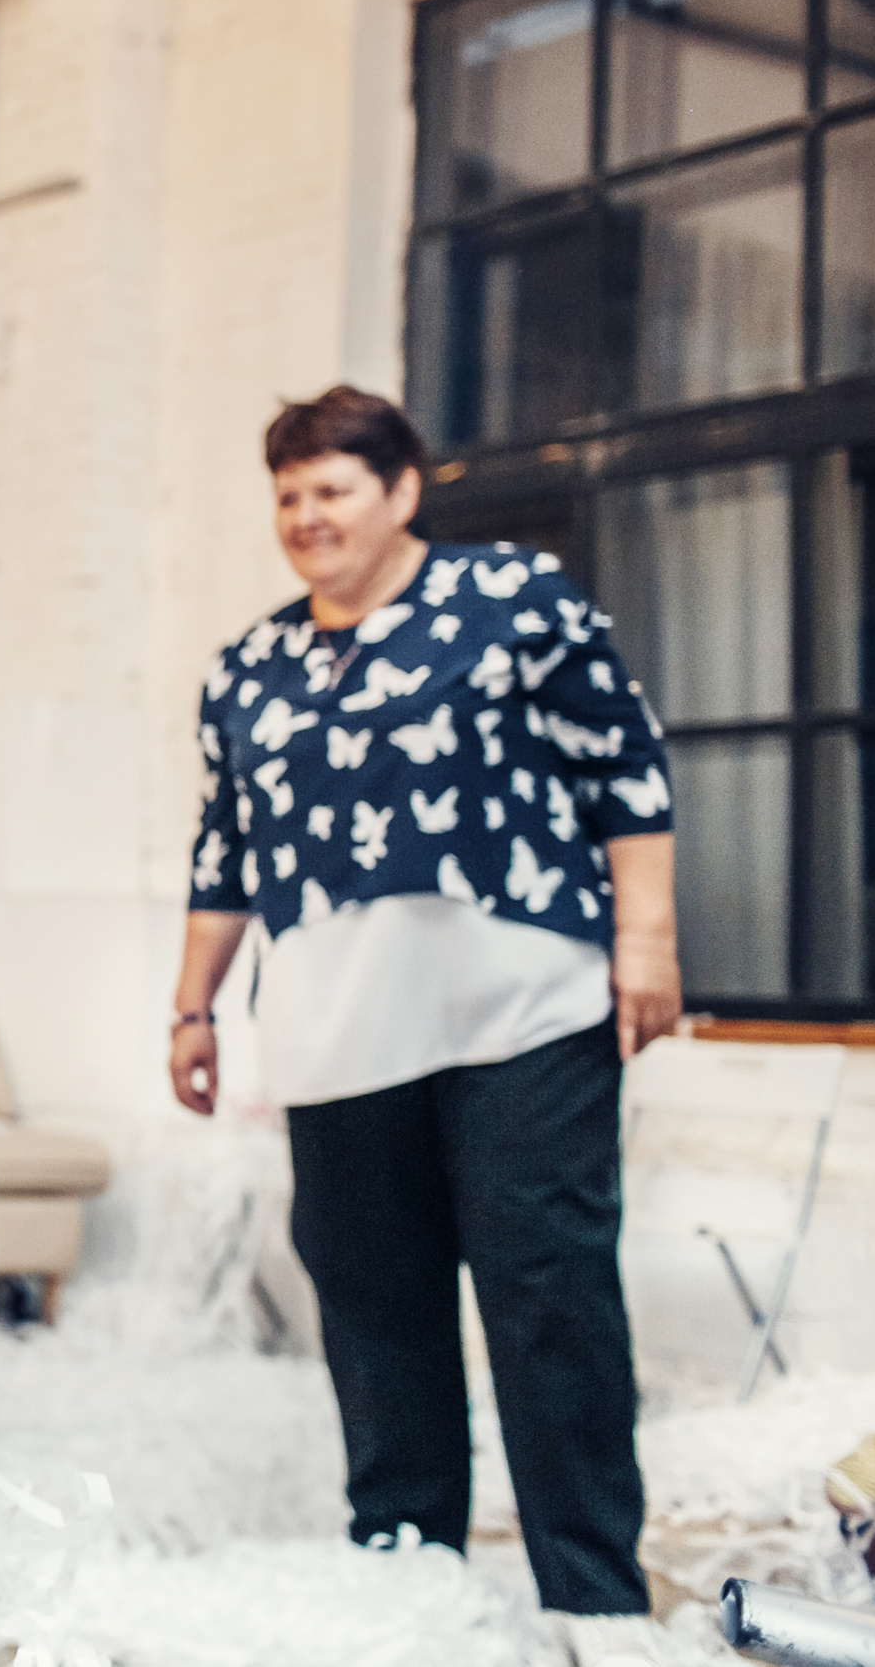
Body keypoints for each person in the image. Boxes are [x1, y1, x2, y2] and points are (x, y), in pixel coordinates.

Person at [170, 387, 678, 1658]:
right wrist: (192, 1006)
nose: (306, 515)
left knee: (547, 1290)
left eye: (332, 486)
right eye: (287, 494)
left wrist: (647, 941)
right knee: (373, 1303)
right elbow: (224, 850)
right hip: (337, 1034)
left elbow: (626, 762)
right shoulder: (245, 665)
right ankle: (407, 1575)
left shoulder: (515, 601)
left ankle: (595, 1598)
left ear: (402, 491)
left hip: (524, 1012)